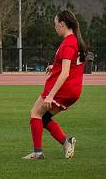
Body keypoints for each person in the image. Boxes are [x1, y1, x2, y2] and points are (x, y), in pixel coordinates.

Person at [22, 10, 87, 160]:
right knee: (43, 118)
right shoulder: (75, 41)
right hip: (73, 91)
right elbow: (70, 65)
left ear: (62, 24)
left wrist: (50, 95)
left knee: (35, 114)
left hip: (62, 89)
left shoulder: (68, 43)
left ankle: (38, 153)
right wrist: (54, 66)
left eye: (55, 24)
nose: (55, 27)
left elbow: (65, 73)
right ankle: (66, 142)